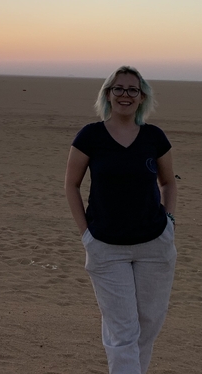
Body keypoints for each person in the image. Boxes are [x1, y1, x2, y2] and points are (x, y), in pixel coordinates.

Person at [64, 65, 177, 374]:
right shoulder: (90, 136)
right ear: (108, 94)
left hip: (154, 246)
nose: (125, 95)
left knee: (147, 325)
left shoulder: (154, 137)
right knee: (123, 330)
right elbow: (71, 185)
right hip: (106, 247)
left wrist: (169, 222)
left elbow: (168, 183)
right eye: (118, 88)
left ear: (142, 98)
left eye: (132, 90)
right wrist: (86, 234)